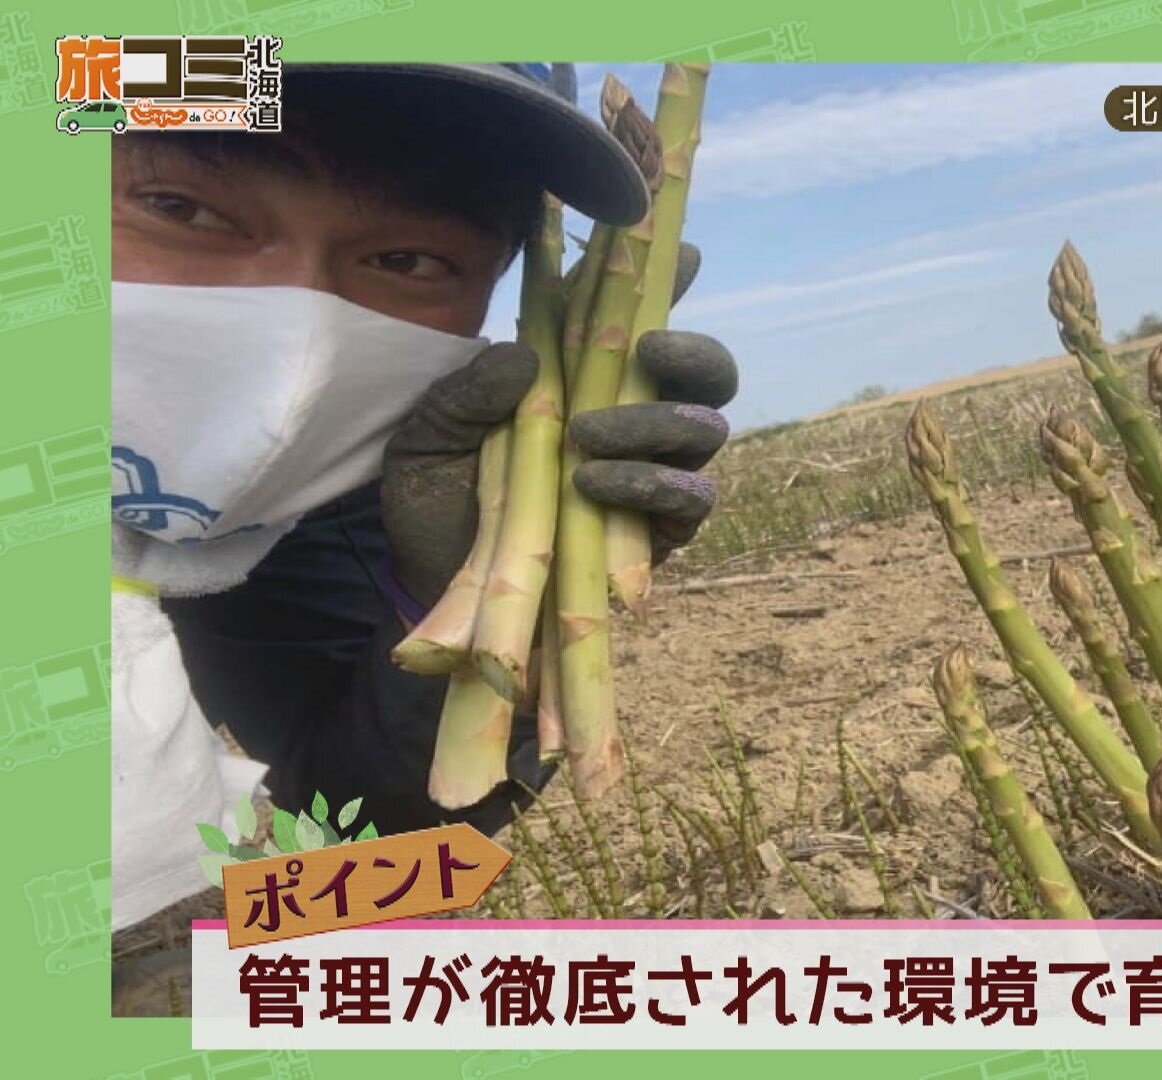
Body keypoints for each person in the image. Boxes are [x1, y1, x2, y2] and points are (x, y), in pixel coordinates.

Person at [108, 62, 736, 937]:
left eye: (410, 260)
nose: (294, 333)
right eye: (181, 208)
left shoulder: (320, 482)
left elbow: (386, 853)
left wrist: (466, 599)